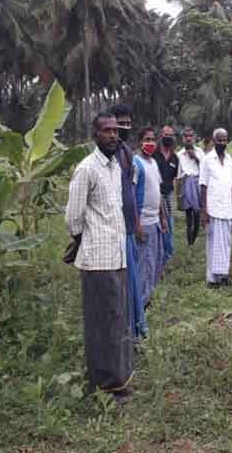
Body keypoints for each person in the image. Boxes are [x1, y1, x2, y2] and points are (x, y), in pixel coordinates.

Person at [65, 111, 133, 400]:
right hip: (97, 260)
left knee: (117, 318)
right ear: (95, 135)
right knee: (100, 324)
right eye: (106, 131)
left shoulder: (115, 167)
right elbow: (73, 217)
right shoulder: (87, 169)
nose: (113, 135)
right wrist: (86, 240)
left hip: (117, 256)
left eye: (115, 131)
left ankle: (118, 380)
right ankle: (103, 386)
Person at [108, 104, 147, 340]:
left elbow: (132, 193)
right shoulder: (103, 158)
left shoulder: (127, 154)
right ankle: (122, 332)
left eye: (127, 124)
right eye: (118, 124)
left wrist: (136, 221)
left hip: (129, 229)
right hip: (112, 231)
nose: (123, 129)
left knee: (132, 284)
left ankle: (134, 330)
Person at [133, 127, 168, 308]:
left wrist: (163, 218)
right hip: (143, 222)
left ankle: (147, 296)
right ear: (140, 141)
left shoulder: (153, 163)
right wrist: (136, 224)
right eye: (147, 139)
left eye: (154, 139)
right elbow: (131, 195)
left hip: (155, 221)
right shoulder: (136, 164)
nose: (151, 143)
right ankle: (142, 302)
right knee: (144, 263)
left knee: (155, 261)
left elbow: (159, 192)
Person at [199, 128, 232, 287]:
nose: (222, 143)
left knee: (226, 243)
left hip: (226, 209)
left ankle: (223, 276)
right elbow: (203, 186)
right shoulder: (207, 160)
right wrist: (204, 211)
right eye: (219, 140)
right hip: (212, 209)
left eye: (224, 140)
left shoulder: (230, 161)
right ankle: (212, 279)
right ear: (213, 141)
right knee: (213, 244)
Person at [154, 125, 179, 264]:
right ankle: (158, 252)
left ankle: (168, 253)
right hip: (154, 194)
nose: (168, 137)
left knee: (169, 222)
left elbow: (175, 178)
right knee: (156, 222)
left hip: (168, 194)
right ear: (161, 136)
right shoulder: (154, 154)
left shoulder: (175, 158)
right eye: (166, 134)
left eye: (170, 135)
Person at [177, 127, 204, 246]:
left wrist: (195, 158)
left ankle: (193, 238)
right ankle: (189, 243)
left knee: (197, 213)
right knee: (188, 214)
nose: (188, 138)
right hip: (186, 183)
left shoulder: (200, 152)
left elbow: (205, 169)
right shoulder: (179, 155)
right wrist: (178, 195)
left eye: (190, 136)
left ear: (194, 137)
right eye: (186, 136)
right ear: (183, 138)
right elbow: (178, 176)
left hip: (197, 183)